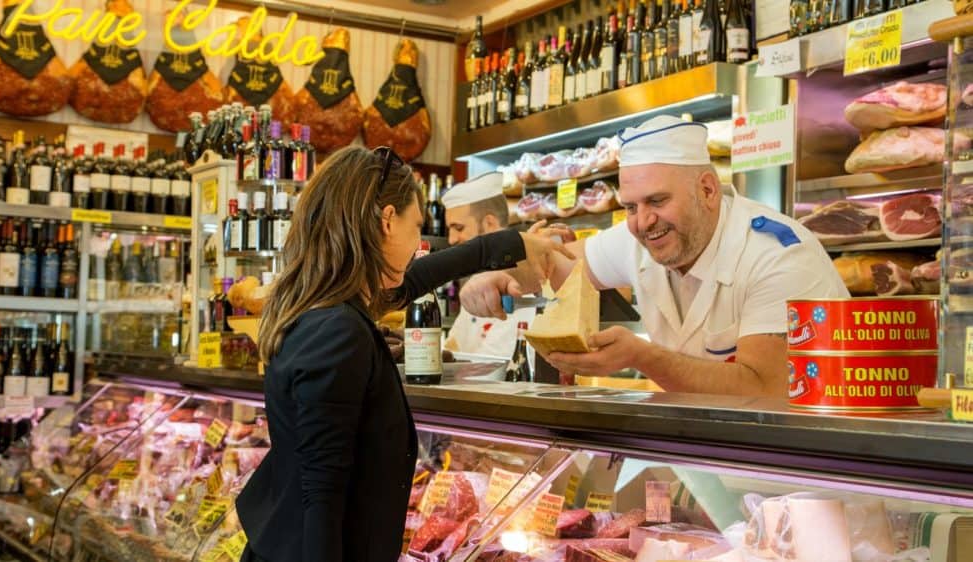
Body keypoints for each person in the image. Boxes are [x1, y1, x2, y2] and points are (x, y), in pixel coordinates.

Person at [235, 146, 571, 561]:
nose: (420, 243)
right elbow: (321, 495)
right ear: (387, 221)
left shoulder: (324, 308)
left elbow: (408, 284)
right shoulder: (338, 331)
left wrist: (510, 244)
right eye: (417, 226)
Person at [460, 115, 848, 397]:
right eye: (630, 207)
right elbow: (554, 266)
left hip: (812, 478)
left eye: (658, 201)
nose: (643, 222)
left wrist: (642, 356)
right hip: (718, 459)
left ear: (708, 190)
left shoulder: (776, 255)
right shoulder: (640, 237)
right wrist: (497, 275)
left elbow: (762, 387)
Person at [441, 171, 536, 358]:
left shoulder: (520, 285)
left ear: (490, 223)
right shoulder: (477, 283)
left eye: (458, 228)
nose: (451, 239)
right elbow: (452, 350)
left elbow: (493, 364)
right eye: (449, 229)